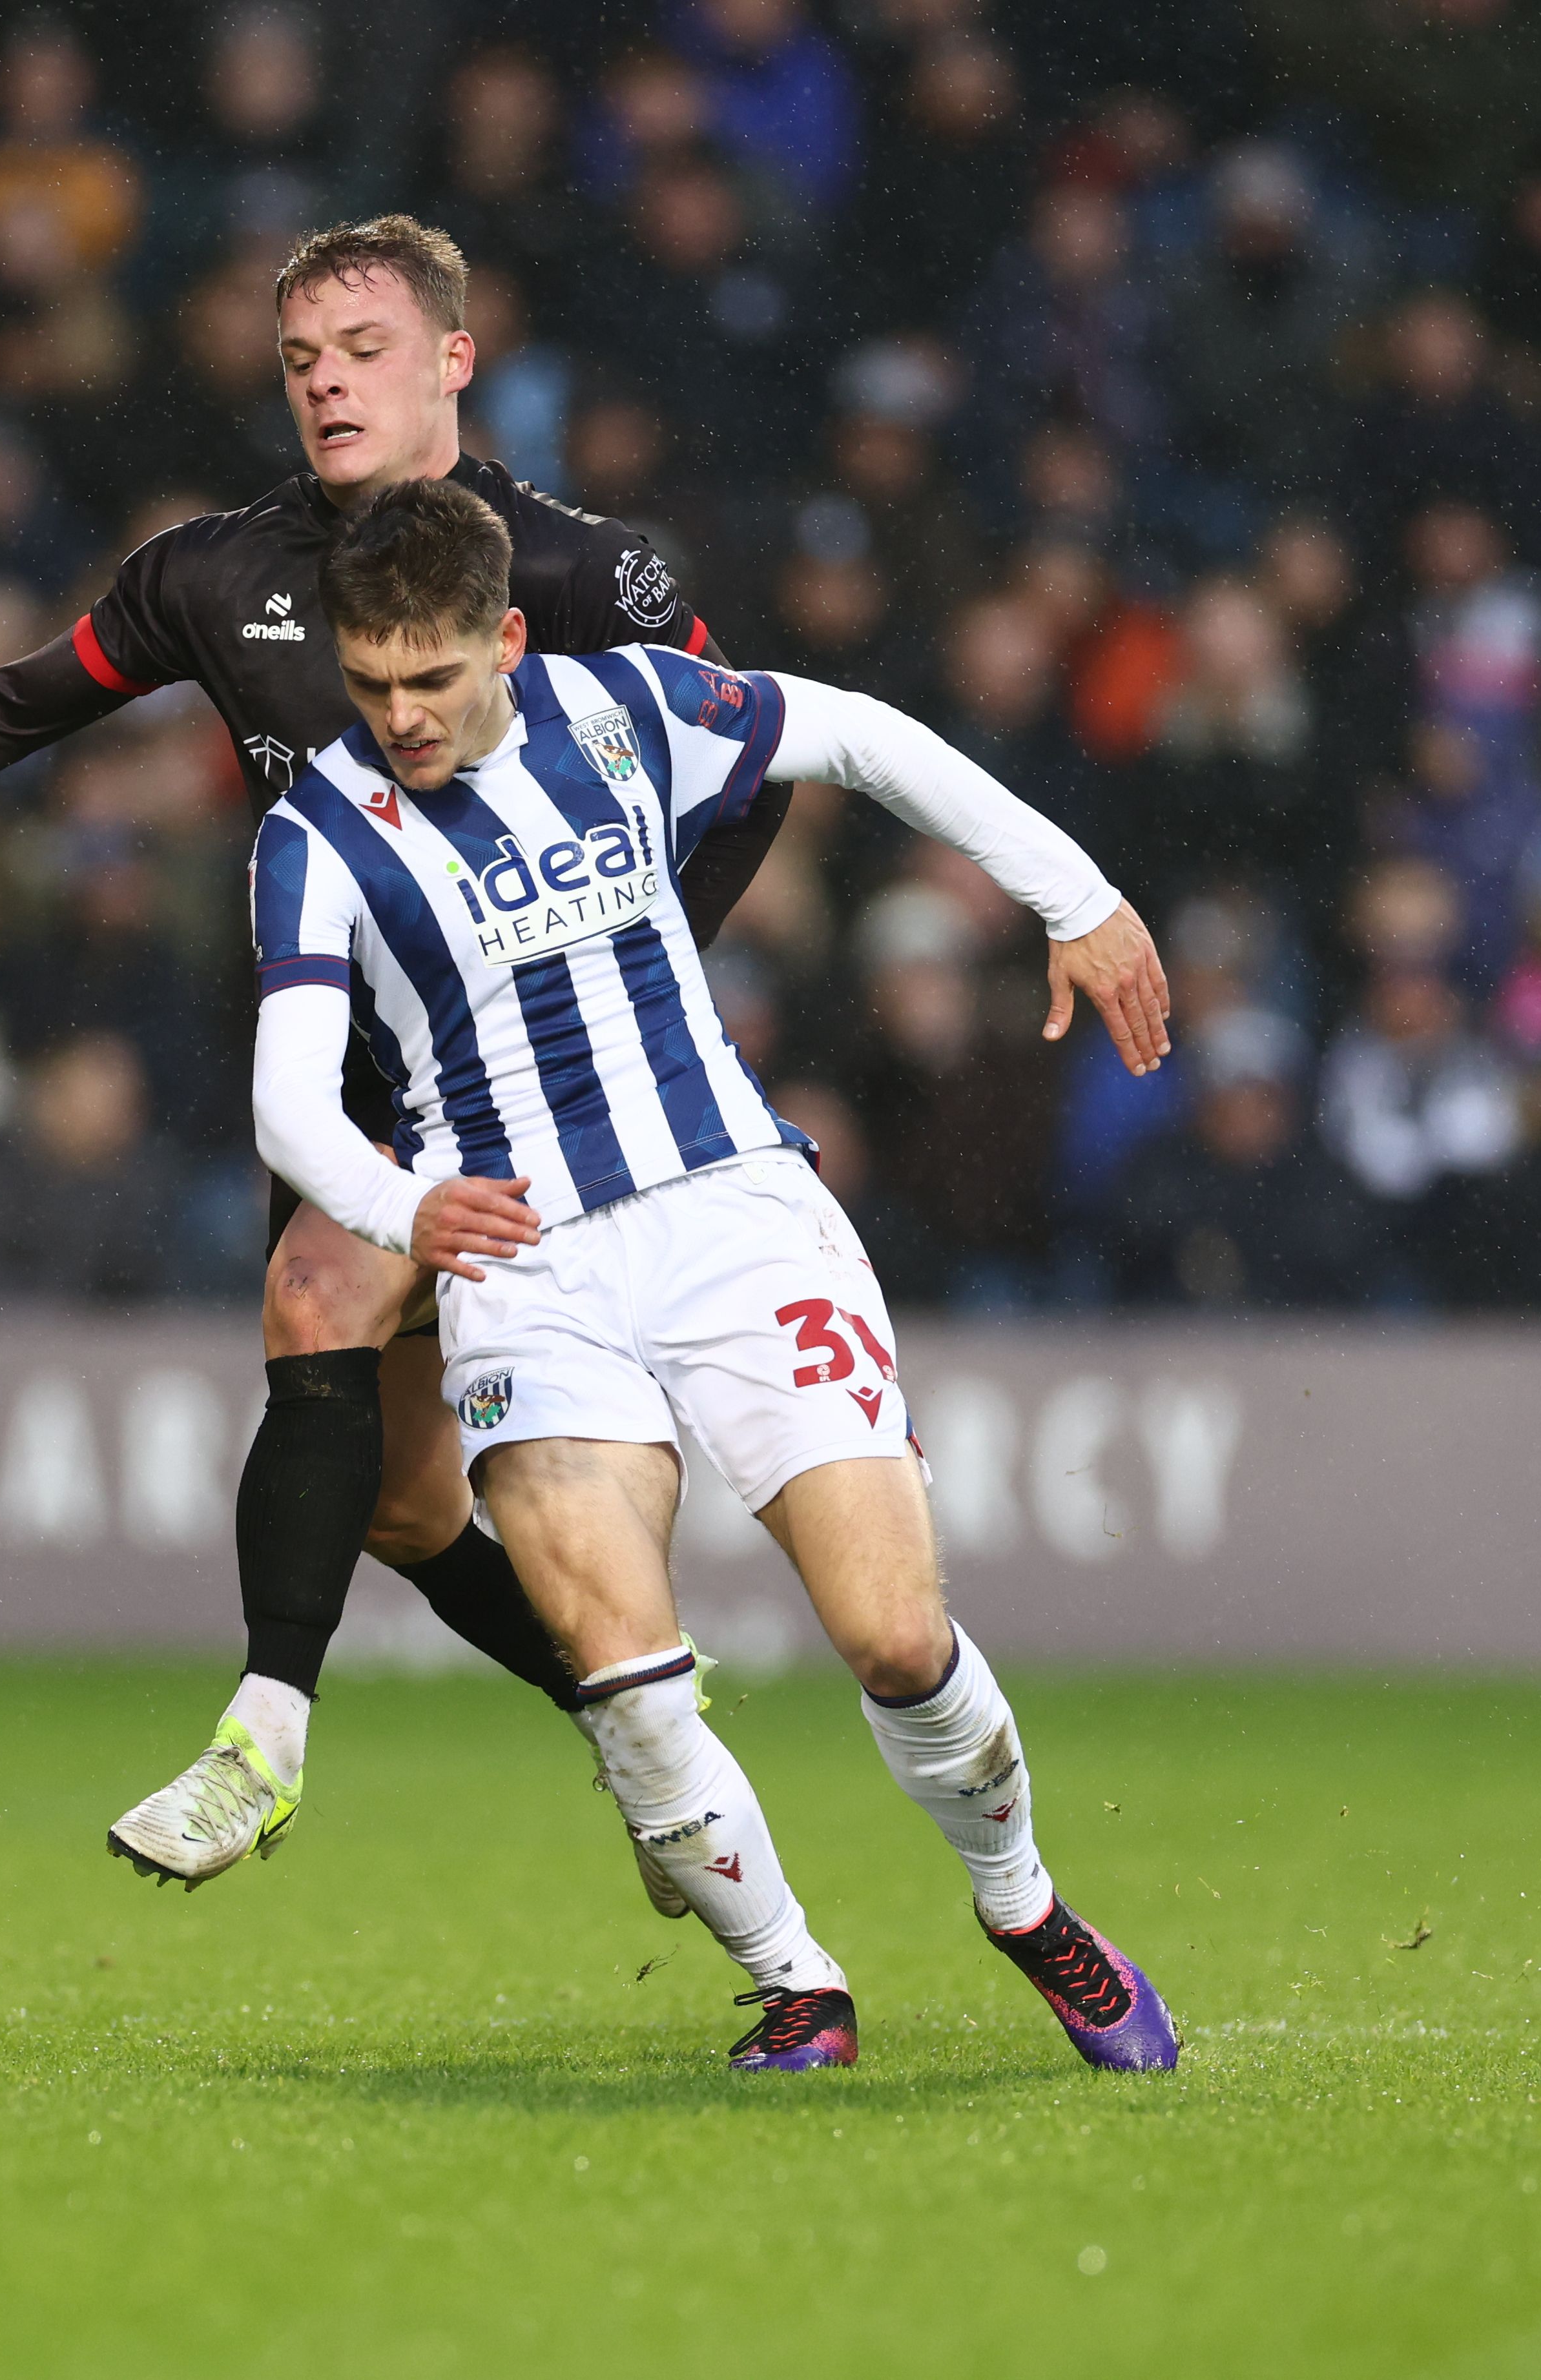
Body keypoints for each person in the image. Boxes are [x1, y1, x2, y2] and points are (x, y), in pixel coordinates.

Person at [0, 216, 783, 1887]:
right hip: (359, 1071)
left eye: (364, 350)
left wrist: (638, 970)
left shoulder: (587, 573)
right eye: (300, 360)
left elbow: (756, 772)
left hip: (548, 1084)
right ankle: (651, 1748)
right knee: (398, 1503)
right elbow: (15, 704)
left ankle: (265, 1737)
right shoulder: (215, 577)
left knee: (322, 1305)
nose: (327, 385)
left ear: (455, 357)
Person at [243, 477, 1178, 2073]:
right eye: (370, 681)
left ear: (508, 641)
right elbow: (286, 1089)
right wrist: (404, 1204)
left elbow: (867, 735)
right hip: (526, 1267)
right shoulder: (314, 833)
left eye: (433, 679)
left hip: (735, 1217)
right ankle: (796, 1981)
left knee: (892, 1635)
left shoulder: (627, 707)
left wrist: (1075, 897)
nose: (398, 714)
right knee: (624, 1678)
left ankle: (1024, 1907)